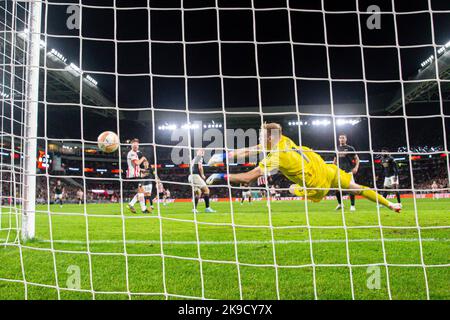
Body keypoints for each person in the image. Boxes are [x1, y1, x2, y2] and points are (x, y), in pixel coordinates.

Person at [207, 123, 402, 212]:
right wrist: (225, 155)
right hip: (326, 169)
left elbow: (248, 177)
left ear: (269, 138)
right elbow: (251, 150)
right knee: (358, 188)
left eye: (260, 135)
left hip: (317, 187)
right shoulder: (282, 140)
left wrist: (221, 175)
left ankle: (300, 191)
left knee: (293, 188)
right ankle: (391, 205)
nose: (258, 138)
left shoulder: (277, 157)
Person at [333, 134, 359, 211]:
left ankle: (352, 205)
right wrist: (333, 168)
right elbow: (335, 161)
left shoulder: (350, 148)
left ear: (346, 139)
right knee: (337, 189)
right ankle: (340, 204)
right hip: (340, 172)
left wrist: (356, 167)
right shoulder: (337, 148)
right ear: (338, 139)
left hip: (348, 171)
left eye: (343, 138)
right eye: (340, 138)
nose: (342, 139)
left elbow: (357, 159)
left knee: (351, 189)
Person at [126, 138, 151, 214]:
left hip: (136, 175)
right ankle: (141, 208)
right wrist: (143, 158)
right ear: (131, 145)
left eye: (137, 145)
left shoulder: (135, 153)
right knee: (141, 192)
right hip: (133, 175)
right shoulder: (132, 153)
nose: (136, 146)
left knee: (141, 193)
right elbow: (137, 163)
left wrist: (142, 170)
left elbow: (136, 166)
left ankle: (140, 208)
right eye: (134, 145)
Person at [188, 149, 216, 213]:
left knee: (198, 193)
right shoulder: (199, 157)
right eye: (201, 151)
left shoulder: (193, 159)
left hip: (190, 176)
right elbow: (200, 167)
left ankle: (194, 209)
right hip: (195, 176)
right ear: (197, 152)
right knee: (207, 190)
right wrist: (202, 175)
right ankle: (207, 208)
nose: (203, 152)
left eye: (203, 152)